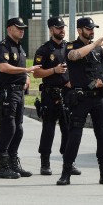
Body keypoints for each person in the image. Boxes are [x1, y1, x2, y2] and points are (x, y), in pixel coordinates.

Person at [56, 17, 103, 186]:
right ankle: (66, 173)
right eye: (88, 29)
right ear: (79, 30)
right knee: (74, 135)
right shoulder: (71, 46)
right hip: (80, 98)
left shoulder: (99, 51)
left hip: (99, 97)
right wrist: (94, 44)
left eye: (93, 29)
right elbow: (74, 56)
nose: (92, 31)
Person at [32, 16, 81, 176]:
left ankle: (69, 162)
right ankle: (45, 163)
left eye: (63, 27)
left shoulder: (69, 47)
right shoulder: (44, 50)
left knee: (68, 129)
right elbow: (36, 73)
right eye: (58, 28)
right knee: (49, 129)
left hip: (67, 94)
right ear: (51, 30)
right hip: (50, 94)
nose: (62, 30)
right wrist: (54, 70)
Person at [0, 17, 41, 179]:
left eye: (23, 28)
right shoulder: (3, 47)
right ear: (9, 29)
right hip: (8, 91)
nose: (22, 30)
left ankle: (14, 162)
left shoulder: (19, 47)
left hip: (19, 92)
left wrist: (26, 77)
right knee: (9, 127)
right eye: (18, 27)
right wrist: (26, 70)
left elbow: (21, 71)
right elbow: (3, 67)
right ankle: (3, 166)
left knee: (18, 128)